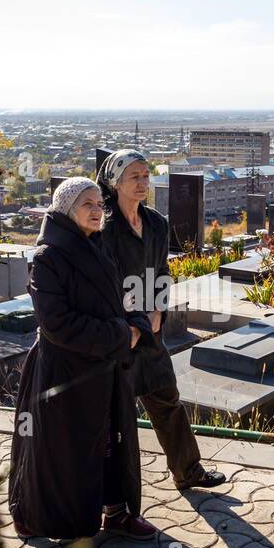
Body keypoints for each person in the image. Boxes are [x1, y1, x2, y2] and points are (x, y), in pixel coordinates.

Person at [7, 178, 159, 540]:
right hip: (65, 372)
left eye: (99, 204)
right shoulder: (49, 258)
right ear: (65, 210)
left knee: (112, 441)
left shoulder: (97, 246)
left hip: (104, 368)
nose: (96, 210)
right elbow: (59, 325)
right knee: (61, 451)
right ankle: (38, 514)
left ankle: (117, 512)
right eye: (85, 204)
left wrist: (136, 323)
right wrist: (122, 336)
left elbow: (116, 301)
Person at [96, 149, 226, 491]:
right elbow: (103, 284)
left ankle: (188, 471)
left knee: (166, 398)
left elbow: (163, 273)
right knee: (113, 417)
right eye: (134, 177)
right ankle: (112, 490)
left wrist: (158, 311)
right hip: (119, 334)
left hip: (149, 330)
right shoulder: (104, 230)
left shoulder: (155, 222)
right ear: (115, 183)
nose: (142, 182)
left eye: (145, 175)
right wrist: (129, 324)